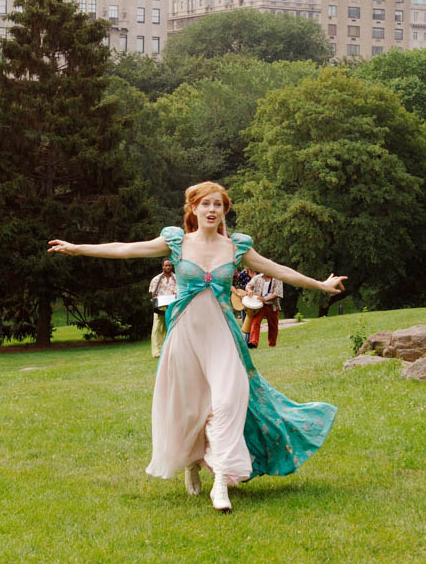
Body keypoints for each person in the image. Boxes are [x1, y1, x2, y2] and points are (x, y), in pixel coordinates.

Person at [48, 181, 346, 513]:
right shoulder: (176, 242)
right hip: (185, 337)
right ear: (193, 208)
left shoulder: (236, 248)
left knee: (227, 402)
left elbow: (280, 271)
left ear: (224, 211)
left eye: (217, 205)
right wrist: (77, 248)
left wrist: (321, 284)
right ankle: (192, 464)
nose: (211, 210)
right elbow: (125, 248)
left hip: (222, 336)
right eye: (205, 204)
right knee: (191, 407)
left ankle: (220, 483)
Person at [245, 271, 283, 348]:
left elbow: (277, 293)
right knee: (255, 322)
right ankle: (253, 342)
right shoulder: (257, 278)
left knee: (273, 325)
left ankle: (272, 344)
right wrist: (249, 290)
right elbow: (248, 286)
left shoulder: (277, 279)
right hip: (259, 305)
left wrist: (265, 299)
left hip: (272, 305)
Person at [148, 259, 177, 358]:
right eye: (166, 265)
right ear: (162, 267)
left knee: (171, 328)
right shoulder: (156, 279)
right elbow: (153, 294)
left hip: (172, 306)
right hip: (160, 307)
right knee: (157, 328)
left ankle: (169, 350)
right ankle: (157, 352)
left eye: (170, 265)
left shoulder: (177, 279)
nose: (168, 267)